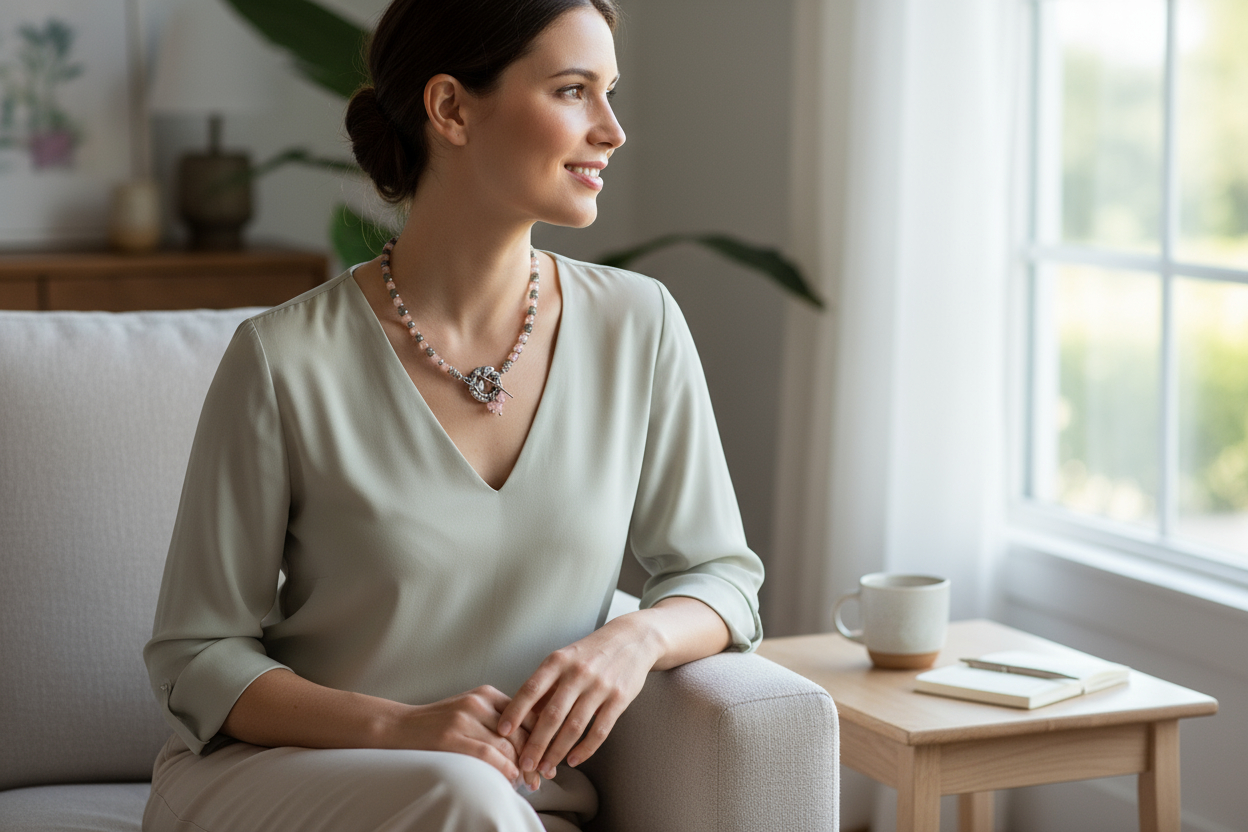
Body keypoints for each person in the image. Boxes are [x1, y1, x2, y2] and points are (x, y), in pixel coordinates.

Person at [141, 0, 764, 829]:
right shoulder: (281, 359)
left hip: (509, 806)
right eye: (574, 90)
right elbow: (195, 656)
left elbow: (724, 577)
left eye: (611, 92)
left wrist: (634, 639)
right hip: (293, 780)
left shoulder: (638, 326)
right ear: (451, 109)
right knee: (462, 796)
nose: (612, 130)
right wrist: (401, 728)